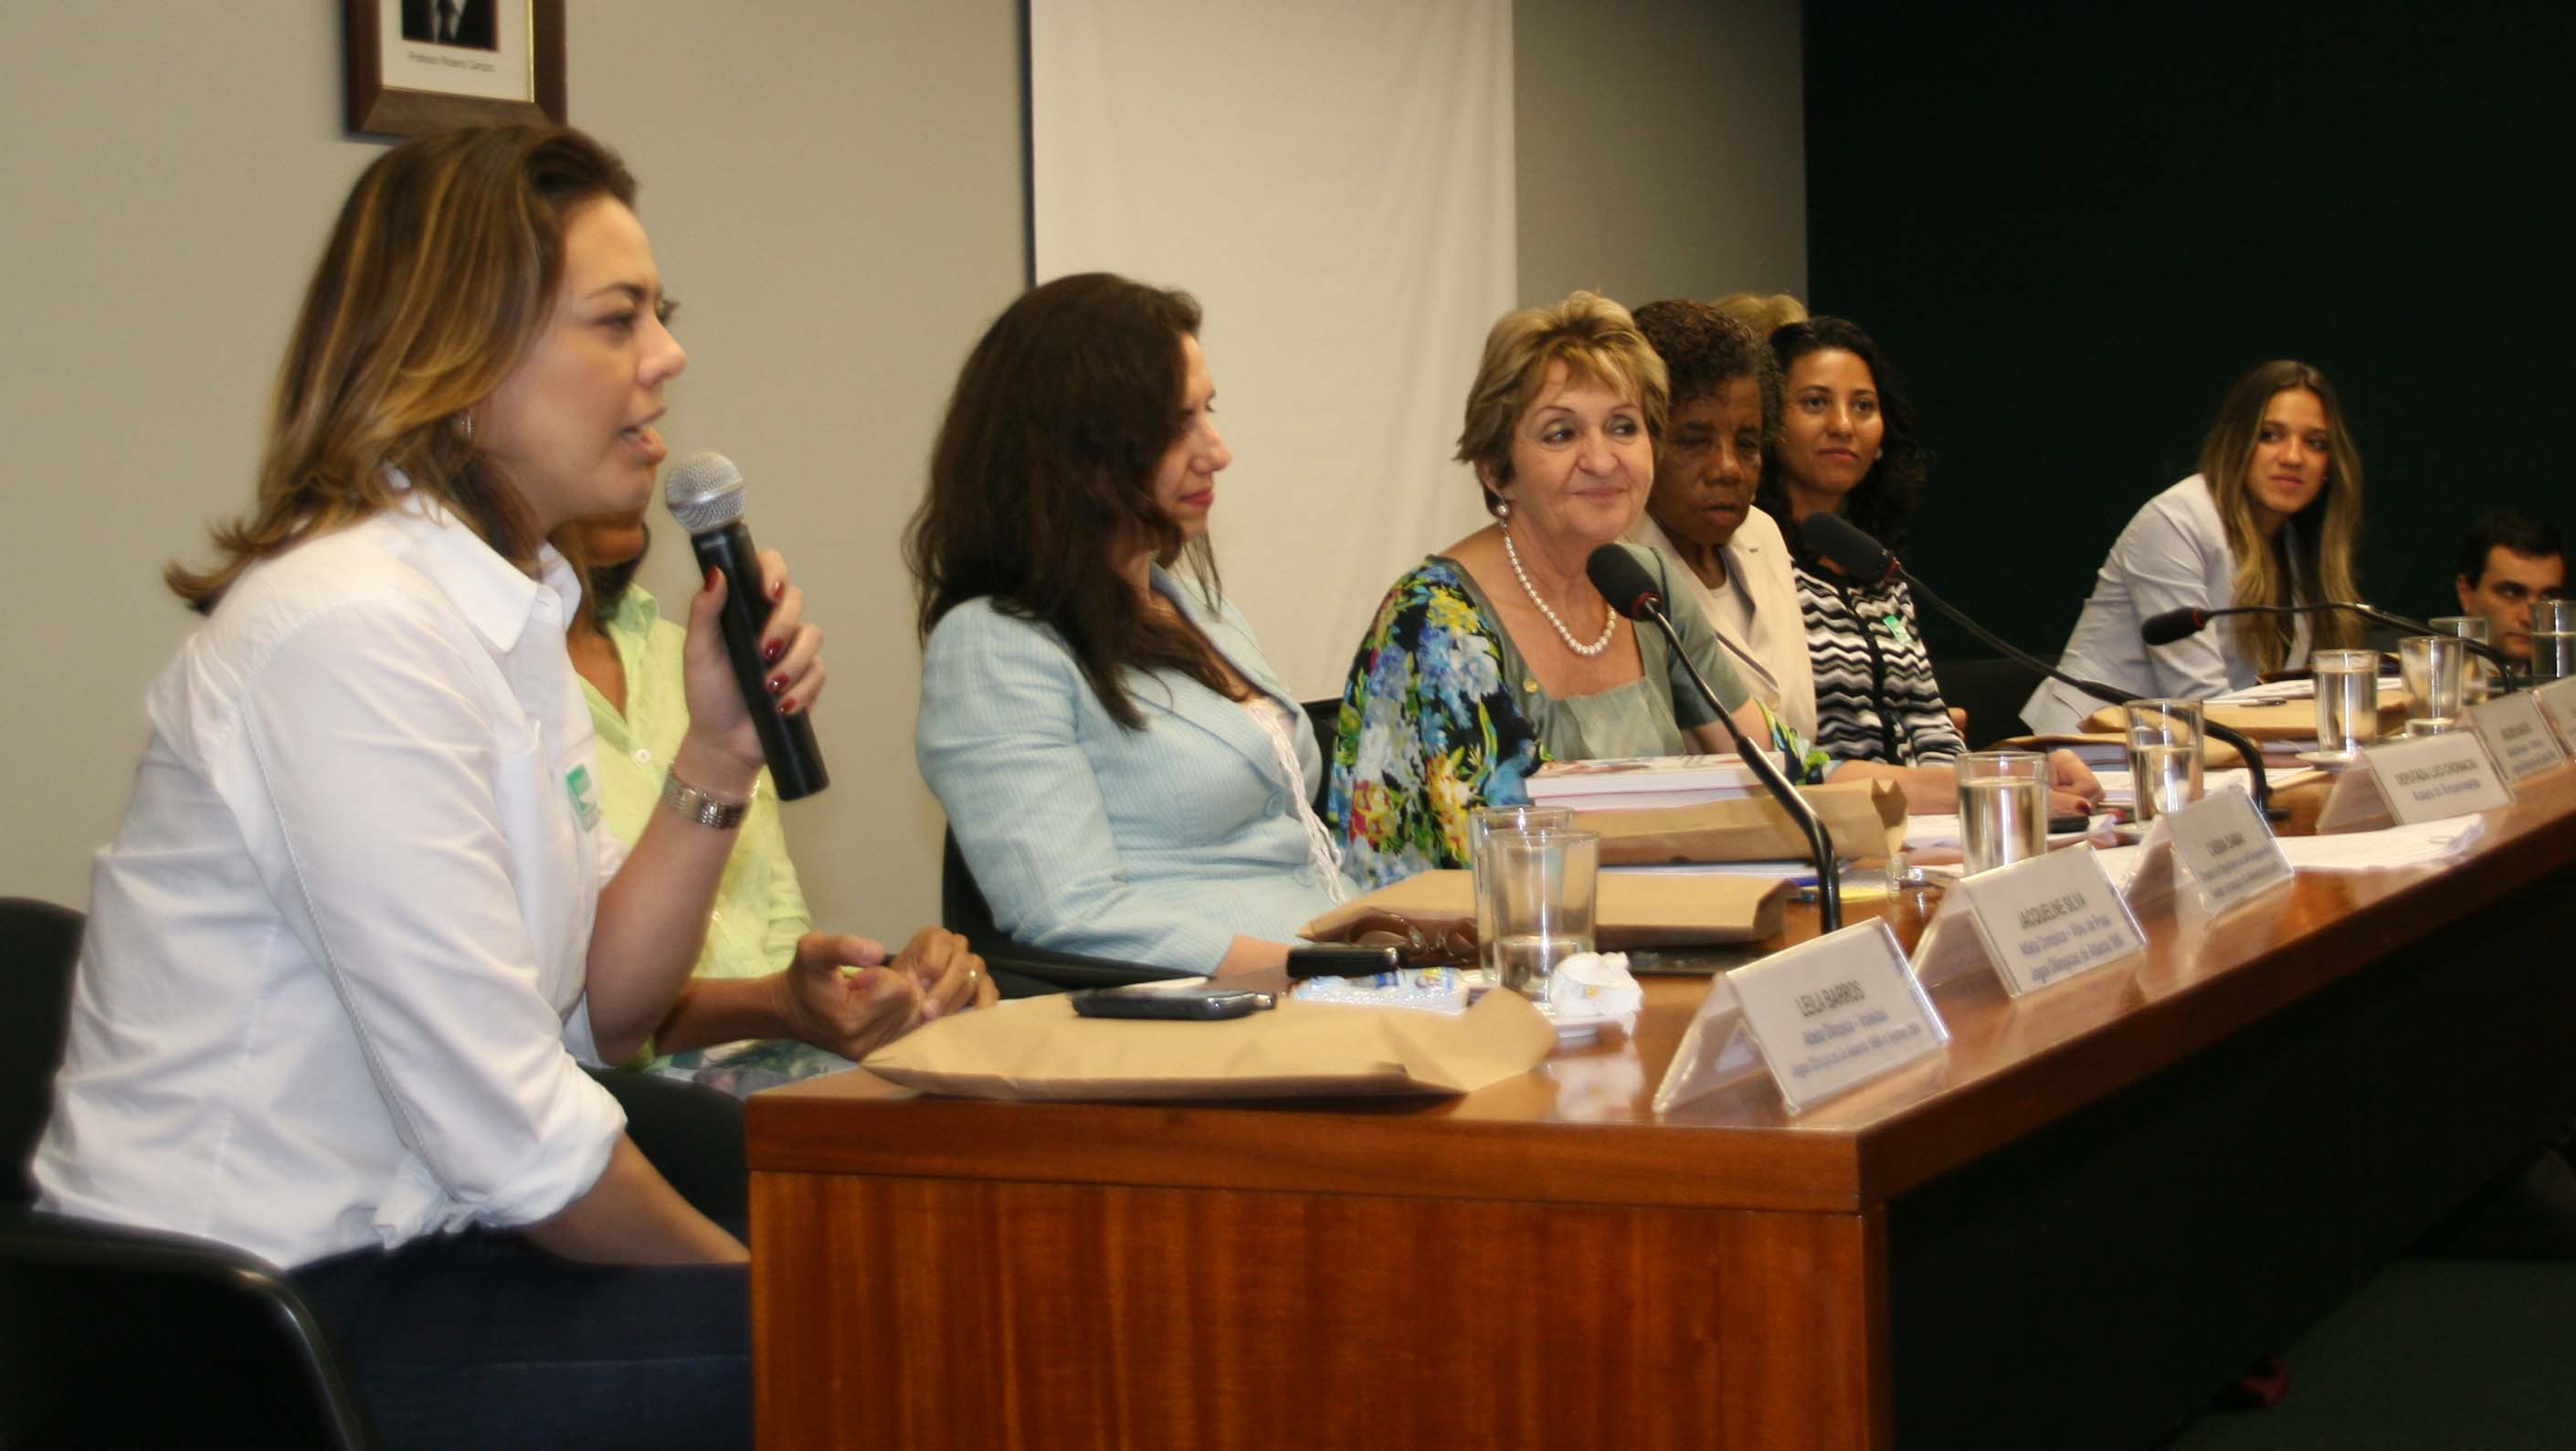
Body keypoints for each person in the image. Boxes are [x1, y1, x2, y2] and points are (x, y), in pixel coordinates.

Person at [31, 125, 967, 1451]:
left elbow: (606, 1010)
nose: (668, 357)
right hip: (254, 1319)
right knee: (890, 1349)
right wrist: (778, 1302)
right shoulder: (348, 631)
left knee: (899, 1259)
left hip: (431, 1239)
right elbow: (523, 1143)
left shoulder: (508, 609)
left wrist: (715, 751)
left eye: (662, 314)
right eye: (616, 319)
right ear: (463, 365)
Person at [911, 273, 1347, 978]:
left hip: (1332, 975)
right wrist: (1324, 976)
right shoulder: (994, 646)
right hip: (1210, 1018)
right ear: (1074, 454)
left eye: (1208, 411)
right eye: (1177, 426)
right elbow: (1069, 913)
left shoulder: (1201, 611)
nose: (1217, 450)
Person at [1326, 291, 1826, 888]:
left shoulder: (1646, 586)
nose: (1602, 459)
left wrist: (1929, 790)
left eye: (1624, 427)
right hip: (1479, 956)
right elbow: (1496, 860)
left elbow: (1779, 766)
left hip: (1648, 932)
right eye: (1561, 434)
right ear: (1495, 467)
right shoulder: (1434, 623)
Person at [562, 511, 994, 1096]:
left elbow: (779, 939)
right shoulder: (474, 677)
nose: (651, 431)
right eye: (615, 419)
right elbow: (564, 1013)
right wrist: (777, 1003)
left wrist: (888, 987)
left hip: (780, 1071)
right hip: (630, 1111)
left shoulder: (685, 654)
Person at [1758, 317, 2097, 813]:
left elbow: (1930, 721)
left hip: (1928, 825)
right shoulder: (1755, 568)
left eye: (1863, 406)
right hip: (1831, 824)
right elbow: (1784, 759)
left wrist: (2017, 778)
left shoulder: (1880, 574)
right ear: (1769, 424)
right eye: (1814, 402)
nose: (1843, 425)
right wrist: (1978, 796)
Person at [2022, 361, 2368, 734]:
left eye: (2315, 443)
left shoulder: (2297, 543)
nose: (2293, 457)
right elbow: (2198, 697)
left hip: (2193, 750)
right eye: (2270, 435)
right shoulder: (2176, 520)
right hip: (2090, 749)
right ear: (2236, 442)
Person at [1622, 299, 1815, 741]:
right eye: (1694, 441)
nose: (1728, 468)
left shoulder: (1763, 534)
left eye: (1747, 443)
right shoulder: (1616, 567)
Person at [2452, 511, 2564, 667]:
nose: (2529, 618)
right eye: (2511, 593)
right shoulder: (2418, 684)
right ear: (2466, 593)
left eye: (2547, 597)